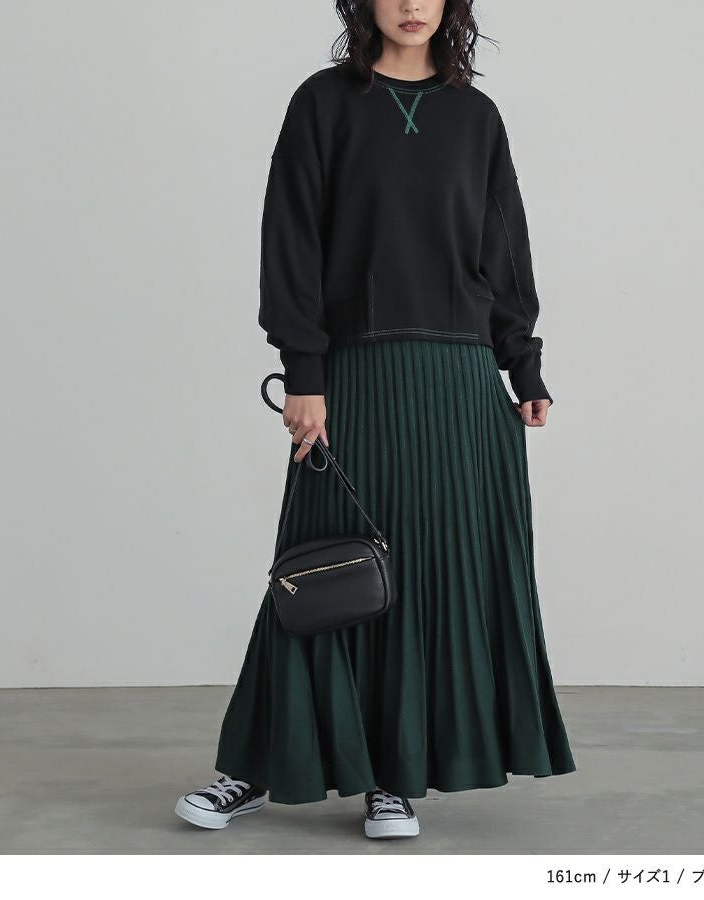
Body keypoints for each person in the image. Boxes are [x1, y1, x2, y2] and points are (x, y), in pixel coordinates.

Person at [175, 0, 576, 840]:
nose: (411, 3)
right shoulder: (322, 102)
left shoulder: (476, 116)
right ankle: (256, 766)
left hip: (460, 379)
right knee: (323, 568)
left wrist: (524, 362)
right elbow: (291, 240)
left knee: (429, 574)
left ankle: (395, 777)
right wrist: (305, 371)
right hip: (353, 371)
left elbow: (504, 246)